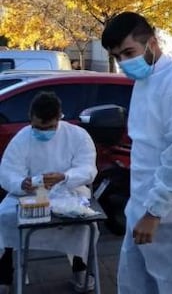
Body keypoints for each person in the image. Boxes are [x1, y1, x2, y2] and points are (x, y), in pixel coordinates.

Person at [101, 12, 172, 293]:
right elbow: (149, 148)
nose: (124, 63)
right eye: (118, 56)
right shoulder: (147, 80)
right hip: (144, 207)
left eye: (129, 52)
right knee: (137, 284)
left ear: (152, 43)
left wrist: (154, 212)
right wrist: (141, 209)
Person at [0, 91, 97, 294]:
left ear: (59, 117)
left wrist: (65, 177)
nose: (42, 132)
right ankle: (4, 277)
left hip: (70, 193)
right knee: (4, 217)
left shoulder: (77, 136)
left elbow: (88, 170)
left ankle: (81, 270)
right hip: (27, 195)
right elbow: (7, 173)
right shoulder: (23, 138)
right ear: (30, 118)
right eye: (37, 127)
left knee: (83, 226)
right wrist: (21, 183)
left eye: (49, 127)